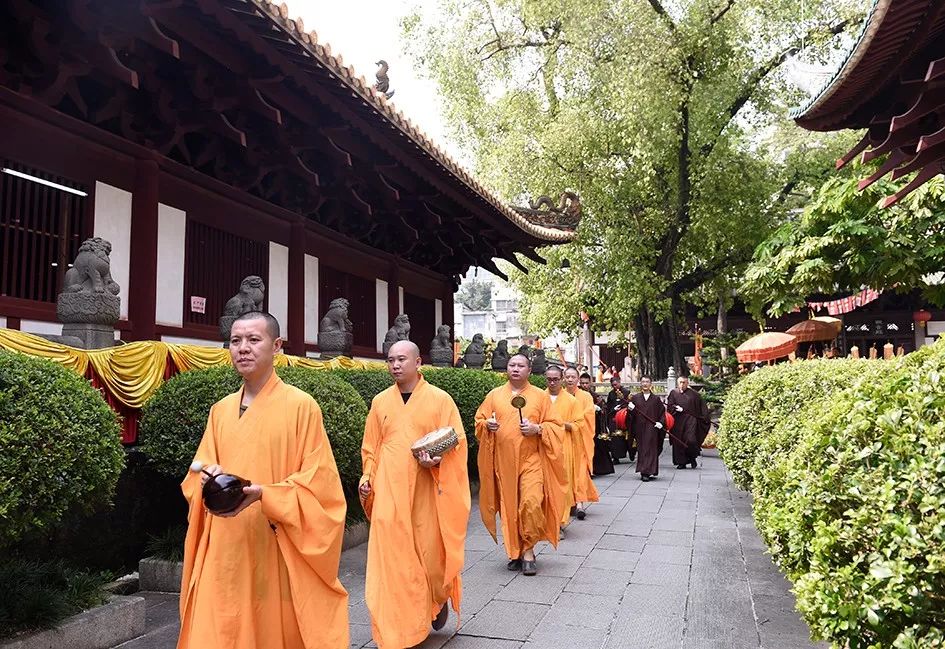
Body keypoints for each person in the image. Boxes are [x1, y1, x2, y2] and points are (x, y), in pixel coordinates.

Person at [178, 311, 349, 649]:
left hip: (271, 543)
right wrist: (205, 480)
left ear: (277, 347)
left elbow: (320, 486)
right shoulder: (220, 409)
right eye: (236, 341)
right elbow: (199, 470)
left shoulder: (302, 407)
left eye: (254, 340)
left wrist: (266, 495)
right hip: (224, 545)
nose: (243, 348)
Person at [358, 341, 470, 648]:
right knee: (391, 560)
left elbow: (456, 441)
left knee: (430, 556)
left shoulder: (439, 399)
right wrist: (367, 477)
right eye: (390, 360)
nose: (395, 365)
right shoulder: (380, 402)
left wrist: (437, 461)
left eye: (401, 359)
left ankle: (436, 597)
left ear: (418, 362)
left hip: (426, 489)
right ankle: (399, 629)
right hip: (388, 488)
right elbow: (371, 447)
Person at [475, 353, 566, 576]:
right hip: (504, 462)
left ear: (529, 370)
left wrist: (538, 429)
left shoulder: (540, 397)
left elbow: (556, 426)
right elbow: (479, 420)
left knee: (531, 501)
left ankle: (528, 550)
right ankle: (515, 550)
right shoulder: (495, 395)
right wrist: (488, 424)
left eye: (521, 365)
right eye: (512, 365)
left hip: (531, 460)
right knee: (510, 507)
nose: (515, 369)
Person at [544, 365, 581, 537]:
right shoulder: (539, 397)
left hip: (564, 447)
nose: (552, 382)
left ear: (562, 379)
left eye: (556, 379)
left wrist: (561, 424)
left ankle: (559, 522)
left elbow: (578, 425)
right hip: (543, 447)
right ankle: (544, 521)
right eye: (549, 379)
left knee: (562, 487)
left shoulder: (571, 401)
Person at [563, 367, 600, 516]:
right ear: (563, 379)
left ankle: (579, 503)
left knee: (580, 472)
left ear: (578, 379)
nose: (570, 379)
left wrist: (572, 422)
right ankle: (566, 503)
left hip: (579, 440)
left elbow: (588, 415)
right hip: (563, 439)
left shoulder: (585, 396)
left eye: (573, 377)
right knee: (564, 472)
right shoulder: (559, 395)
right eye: (568, 377)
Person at [666, 376, 711, 469]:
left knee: (691, 440)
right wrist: (675, 408)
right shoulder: (674, 393)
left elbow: (701, 408)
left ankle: (692, 457)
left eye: (684, 382)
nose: (682, 385)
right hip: (677, 421)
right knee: (678, 442)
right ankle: (681, 462)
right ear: (677, 383)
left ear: (687, 383)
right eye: (680, 382)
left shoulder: (694, 395)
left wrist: (704, 417)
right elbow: (670, 406)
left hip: (691, 421)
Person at [627, 377, 666, 481]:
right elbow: (631, 416)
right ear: (640, 383)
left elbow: (662, 413)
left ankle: (648, 471)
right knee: (642, 449)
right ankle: (644, 471)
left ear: (651, 384)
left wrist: (660, 423)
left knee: (651, 449)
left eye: (647, 382)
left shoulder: (656, 399)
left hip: (652, 428)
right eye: (643, 382)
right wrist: (630, 410)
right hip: (639, 428)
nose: (645, 384)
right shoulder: (635, 398)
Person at [580, 372, 614, 476]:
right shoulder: (575, 395)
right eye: (582, 383)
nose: (584, 385)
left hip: (594, 425)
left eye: (586, 383)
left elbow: (604, 408)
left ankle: (595, 469)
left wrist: (599, 409)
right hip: (581, 424)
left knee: (596, 446)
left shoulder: (595, 396)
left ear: (590, 383)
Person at [605, 376, 632, 463]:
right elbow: (608, 406)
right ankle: (615, 457)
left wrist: (622, 409)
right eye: (613, 385)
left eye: (616, 384)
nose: (614, 387)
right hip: (614, 417)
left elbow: (629, 404)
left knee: (627, 437)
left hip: (624, 417)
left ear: (619, 382)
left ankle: (631, 452)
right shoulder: (611, 394)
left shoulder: (626, 392)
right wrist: (613, 409)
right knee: (614, 437)